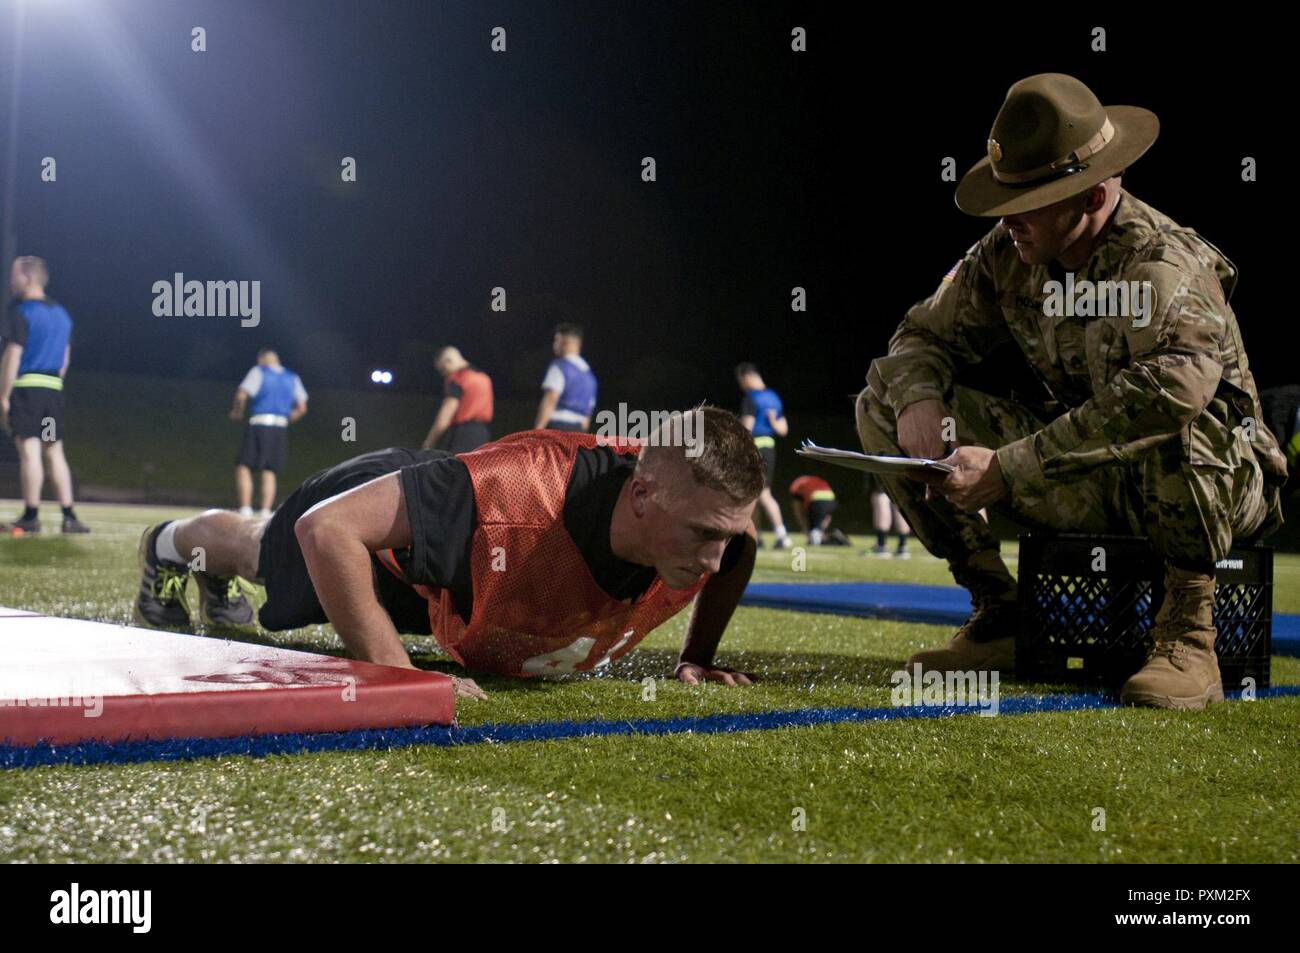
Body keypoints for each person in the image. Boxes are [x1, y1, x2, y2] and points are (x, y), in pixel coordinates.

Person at [856, 73, 1288, 710]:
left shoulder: (1160, 262)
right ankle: (1001, 615)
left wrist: (1009, 467)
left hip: (1221, 480)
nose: (1006, 223)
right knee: (880, 405)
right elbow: (918, 333)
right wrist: (920, 397)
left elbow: (1175, 388)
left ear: (1090, 197)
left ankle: (1190, 636)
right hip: (1096, 473)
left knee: (1182, 410)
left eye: (1028, 201)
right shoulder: (1007, 251)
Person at [132, 407, 764, 697]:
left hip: (458, 583)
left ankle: (209, 580)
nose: (713, 561)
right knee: (259, 553)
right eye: (703, 536)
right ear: (643, 496)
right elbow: (327, 532)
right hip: (392, 541)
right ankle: (166, 547)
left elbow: (743, 547)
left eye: (725, 536)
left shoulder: (714, 520)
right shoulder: (514, 493)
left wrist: (698, 657)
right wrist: (402, 680)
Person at [0, 256, 90, 534]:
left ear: (27, 277)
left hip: (27, 390)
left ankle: (31, 516)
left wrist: (3, 395)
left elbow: (13, 355)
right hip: (53, 391)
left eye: (15, 275)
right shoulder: (62, 315)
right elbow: (65, 358)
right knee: (54, 451)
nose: (11, 281)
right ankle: (69, 515)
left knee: (30, 452)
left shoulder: (24, 313)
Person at [230, 348, 307, 516]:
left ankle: (245, 509)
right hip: (279, 427)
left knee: (243, 465)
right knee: (270, 469)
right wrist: (286, 419)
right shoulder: (292, 377)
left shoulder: (259, 371)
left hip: (259, 423)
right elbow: (301, 407)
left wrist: (237, 412)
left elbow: (242, 394)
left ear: (262, 359)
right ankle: (266, 511)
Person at [736, 362, 792, 548]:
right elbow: (783, 430)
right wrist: (772, 422)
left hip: (755, 448)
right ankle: (756, 536)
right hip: (770, 447)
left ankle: (781, 535)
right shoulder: (774, 398)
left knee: (760, 494)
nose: (742, 386)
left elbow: (747, 428)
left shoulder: (751, 398)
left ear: (747, 377)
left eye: (741, 382)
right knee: (757, 494)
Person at [421, 346, 493, 453]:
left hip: (462, 435)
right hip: (483, 435)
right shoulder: (484, 378)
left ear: (448, 361)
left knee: (450, 467)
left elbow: (446, 414)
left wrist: (429, 441)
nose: (444, 374)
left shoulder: (458, 378)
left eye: (443, 369)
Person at [534, 323, 596, 431]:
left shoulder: (559, 366)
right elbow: (588, 414)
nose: (554, 344)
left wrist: (538, 429)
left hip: (556, 426)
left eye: (556, 340)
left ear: (565, 342)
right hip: (578, 430)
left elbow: (551, 399)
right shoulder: (590, 377)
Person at [788, 475, 849, 545]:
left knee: (814, 534)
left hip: (817, 500)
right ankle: (833, 538)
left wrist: (804, 527)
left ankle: (827, 540)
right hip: (831, 499)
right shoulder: (814, 481)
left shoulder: (797, 485)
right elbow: (827, 517)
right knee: (817, 529)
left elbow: (798, 510)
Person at [863, 473, 911, 558]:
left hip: (883, 471)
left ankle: (882, 546)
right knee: (900, 505)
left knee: (881, 498)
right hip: (902, 472)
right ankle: (902, 546)